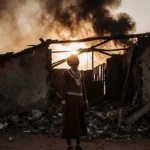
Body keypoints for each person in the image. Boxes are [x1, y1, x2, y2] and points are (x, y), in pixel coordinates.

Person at [61, 54, 88, 150]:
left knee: (79, 122)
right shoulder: (66, 73)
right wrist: (64, 102)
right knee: (69, 122)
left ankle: (78, 145)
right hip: (70, 100)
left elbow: (83, 88)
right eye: (72, 60)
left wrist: (86, 100)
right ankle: (69, 146)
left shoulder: (81, 73)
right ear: (69, 62)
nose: (75, 61)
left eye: (76, 59)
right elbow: (63, 88)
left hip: (80, 101)